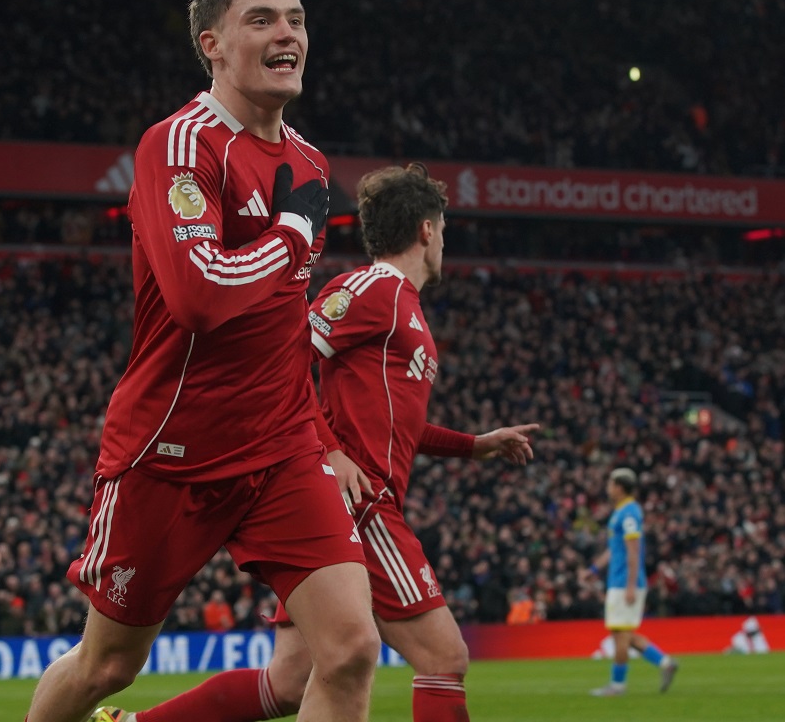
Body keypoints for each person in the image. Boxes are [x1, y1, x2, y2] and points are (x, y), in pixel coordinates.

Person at [26, 0, 378, 722]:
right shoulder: (179, 145)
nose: (287, 34)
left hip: (280, 448)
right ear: (211, 44)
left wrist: (322, 437)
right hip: (172, 452)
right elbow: (198, 295)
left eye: (296, 20)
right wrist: (292, 232)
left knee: (351, 648)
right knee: (107, 666)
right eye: (262, 20)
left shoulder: (309, 162)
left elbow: (285, 321)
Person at [94, 164, 538, 722]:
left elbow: (393, 424)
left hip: (344, 500)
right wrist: (331, 451)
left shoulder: (401, 305)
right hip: (360, 503)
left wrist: (473, 445)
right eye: (444, 229)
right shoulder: (371, 289)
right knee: (443, 658)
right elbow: (286, 358)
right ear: (427, 230)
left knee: (286, 684)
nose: (444, 241)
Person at [588, 467, 678, 696]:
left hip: (624, 583)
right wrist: (594, 569)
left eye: (611, 484)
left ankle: (618, 685)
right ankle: (665, 663)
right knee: (623, 634)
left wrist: (630, 586)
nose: (608, 488)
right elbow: (614, 549)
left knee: (621, 635)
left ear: (619, 487)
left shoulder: (629, 513)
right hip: (617, 581)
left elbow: (633, 551)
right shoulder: (621, 511)